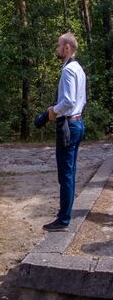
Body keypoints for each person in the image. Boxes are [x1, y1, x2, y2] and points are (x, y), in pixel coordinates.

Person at [43, 33, 87, 232]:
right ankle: (65, 215)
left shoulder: (69, 70)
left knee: (66, 175)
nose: (57, 48)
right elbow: (81, 100)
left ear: (67, 47)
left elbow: (68, 101)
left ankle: (64, 219)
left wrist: (53, 111)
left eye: (59, 45)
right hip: (77, 122)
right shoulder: (79, 69)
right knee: (71, 172)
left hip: (68, 125)